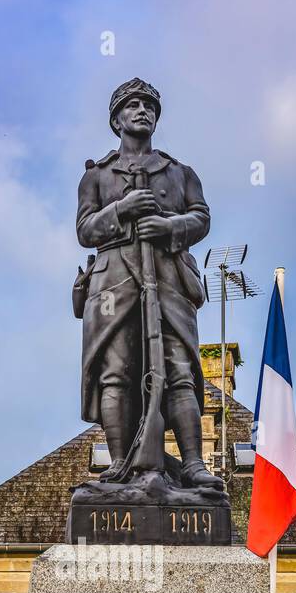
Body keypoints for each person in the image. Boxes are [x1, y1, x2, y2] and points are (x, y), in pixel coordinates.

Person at [76, 78, 222, 491]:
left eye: (149, 106)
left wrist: (168, 225)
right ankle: (120, 462)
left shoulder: (180, 173)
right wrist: (122, 209)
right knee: (115, 374)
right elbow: (85, 229)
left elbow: (201, 217)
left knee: (178, 370)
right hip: (113, 282)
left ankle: (193, 464)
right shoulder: (96, 177)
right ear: (116, 119)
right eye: (133, 105)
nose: (142, 111)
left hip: (169, 278)